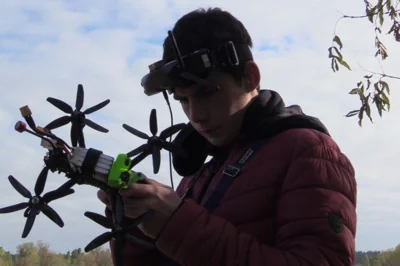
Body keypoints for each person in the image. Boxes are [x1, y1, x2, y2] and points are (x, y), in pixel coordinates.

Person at [97, 7, 357, 266]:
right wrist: (133, 226)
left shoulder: (311, 153)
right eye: (183, 100)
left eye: (206, 93)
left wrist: (177, 224)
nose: (195, 116)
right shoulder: (198, 175)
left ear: (250, 77)